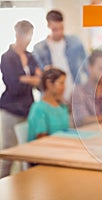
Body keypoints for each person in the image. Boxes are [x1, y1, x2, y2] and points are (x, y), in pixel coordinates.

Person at [0, 20, 41, 178]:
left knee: (28, 149)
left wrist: (25, 78)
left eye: (30, 35)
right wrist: (31, 79)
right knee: (8, 150)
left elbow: (40, 81)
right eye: (25, 35)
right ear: (17, 34)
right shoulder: (7, 57)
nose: (27, 39)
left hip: (28, 108)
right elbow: (13, 85)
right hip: (10, 109)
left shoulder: (31, 57)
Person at [33, 9, 87, 103]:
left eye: (61, 28)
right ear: (48, 26)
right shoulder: (39, 49)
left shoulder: (75, 42)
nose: (59, 33)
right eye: (55, 30)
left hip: (74, 95)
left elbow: (87, 66)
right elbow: (38, 77)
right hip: (53, 98)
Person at [72, 50, 102, 127]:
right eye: (101, 69)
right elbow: (83, 120)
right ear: (90, 68)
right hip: (89, 136)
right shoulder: (78, 91)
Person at [27, 67, 69, 142]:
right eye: (61, 83)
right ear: (49, 84)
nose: (64, 87)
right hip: (43, 150)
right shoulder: (38, 108)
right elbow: (42, 139)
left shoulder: (62, 106)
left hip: (61, 147)